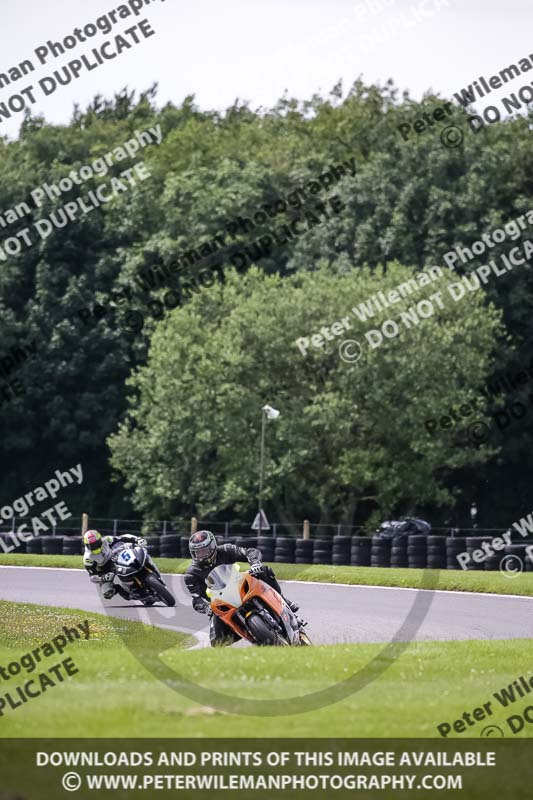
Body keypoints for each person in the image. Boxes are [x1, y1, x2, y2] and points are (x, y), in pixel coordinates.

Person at [184, 530, 299, 646]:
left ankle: (284, 600)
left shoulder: (225, 550)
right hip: (220, 603)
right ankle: (253, 634)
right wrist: (206, 607)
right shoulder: (191, 574)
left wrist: (255, 563)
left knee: (264, 571)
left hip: (238, 585)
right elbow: (196, 599)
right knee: (216, 641)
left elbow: (249, 552)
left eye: (204, 550)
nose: (202, 555)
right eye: (198, 552)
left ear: (213, 546)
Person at [83, 529, 151, 600]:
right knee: (107, 593)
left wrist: (137, 539)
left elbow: (122, 537)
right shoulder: (88, 558)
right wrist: (102, 578)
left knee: (137, 553)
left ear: (100, 540)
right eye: (92, 546)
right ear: (87, 546)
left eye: (96, 544)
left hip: (114, 557)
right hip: (104, 570)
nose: (95, 547)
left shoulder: (107, 539)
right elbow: (92, 576)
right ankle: (125, 593)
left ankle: (146, 568)